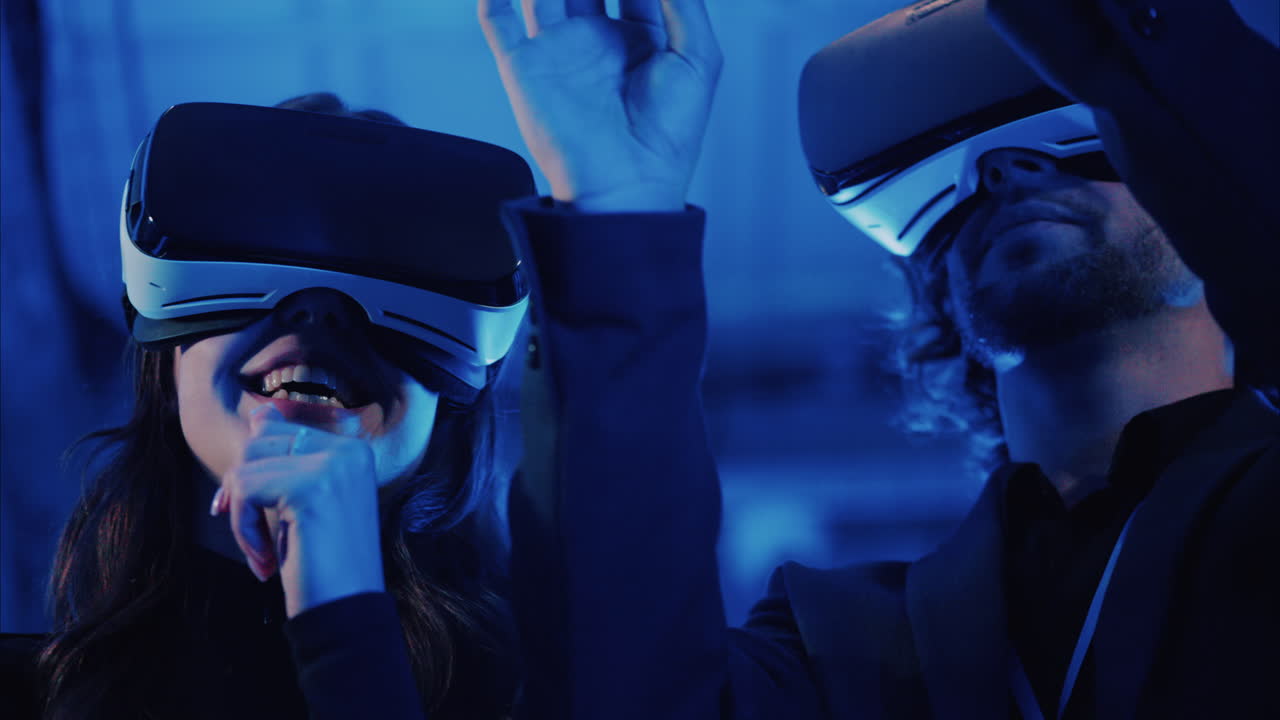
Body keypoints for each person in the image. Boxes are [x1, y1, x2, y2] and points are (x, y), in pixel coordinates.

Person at [477, 0, 1279, 718]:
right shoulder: (837, 637)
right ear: (936, 291)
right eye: (965, 190)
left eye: (1089, 146)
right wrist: (617, 220)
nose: (1004, 173)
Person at [0, 93, 534, 719]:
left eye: (395, 270)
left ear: (447, 406)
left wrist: (347, 624)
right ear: (166, 361)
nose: (320, 311)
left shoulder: (541, 694)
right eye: (260, 252)